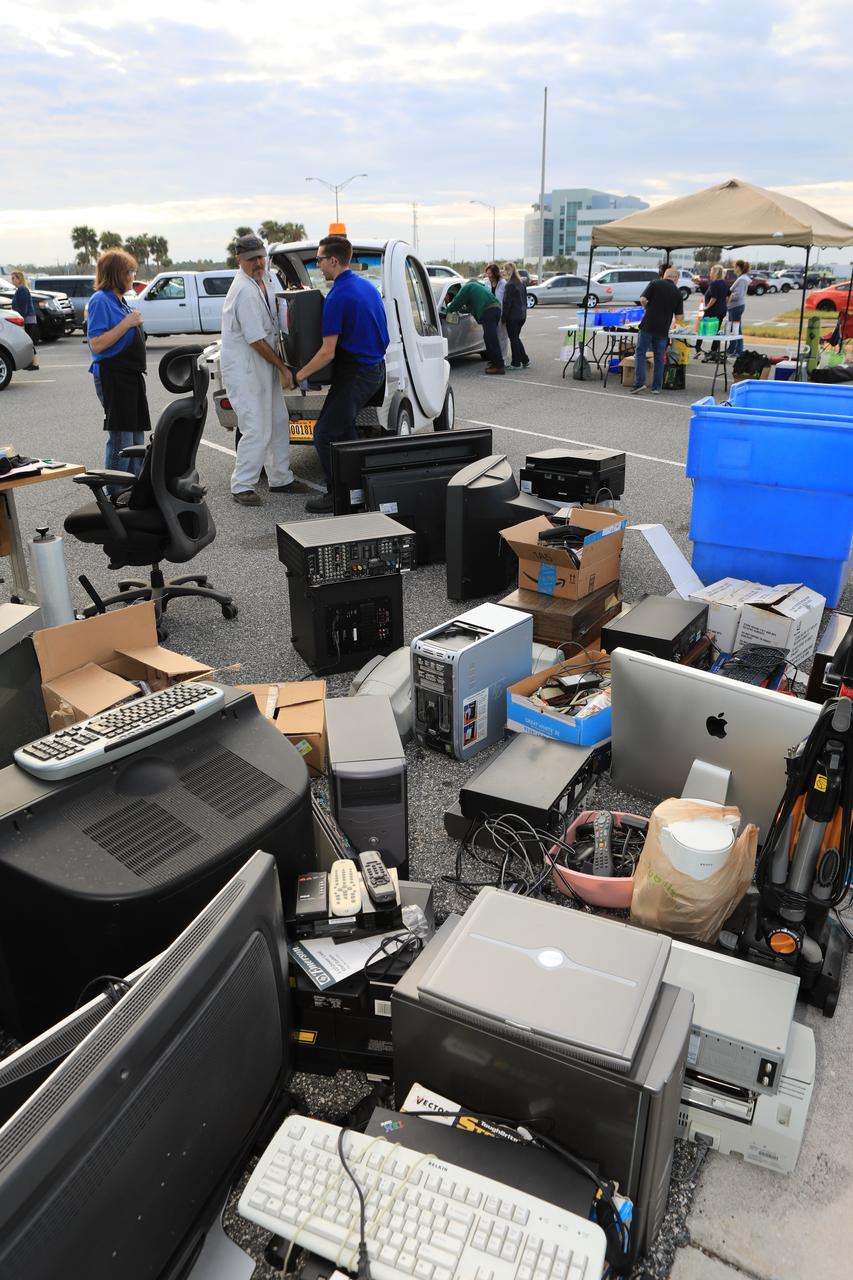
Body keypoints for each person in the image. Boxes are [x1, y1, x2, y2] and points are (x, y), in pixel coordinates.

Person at [296, 236, 389, 514]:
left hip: (357, 372)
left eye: (319, 259)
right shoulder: (366, 287)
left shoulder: (338, 296)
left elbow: (327, 352)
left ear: (333, 260)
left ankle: (337, 495)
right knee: (345, 430)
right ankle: (358, 489)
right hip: (374, 368)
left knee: (324, 434)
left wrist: (298, 374)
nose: (318, 265)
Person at [220, 233, 307, 507]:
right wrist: (283, 368)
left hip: (264, 362)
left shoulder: (267, 279)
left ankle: (281, 478)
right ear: (240, 260)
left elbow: (279, 312)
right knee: (256, 426)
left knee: (278, 421)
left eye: (260, 257)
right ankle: (242, 484)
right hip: (246, 368)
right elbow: (256, 339)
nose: (258, 263)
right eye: (251, 259)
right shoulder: (243, 291)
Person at [87, 249, 149, 476]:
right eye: (129, 271)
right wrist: (127, 324)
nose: (133, 275)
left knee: (135, 437)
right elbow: (97, 344)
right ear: (117, 274)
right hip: (113, 376)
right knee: (121, 439)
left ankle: (134, 488)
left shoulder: (121, 301)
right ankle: (115, 492)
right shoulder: (100, 301)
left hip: (130, 377)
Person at [631, 266, 684, 395]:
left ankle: (639, 383)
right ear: (676, 278)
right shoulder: (677, 292)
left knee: (640, 353)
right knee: (659, 357)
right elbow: (679, 317)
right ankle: (656, 387)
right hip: (663, 329)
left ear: (665, 275)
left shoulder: (655, 283)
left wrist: (648, 308)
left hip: (648, 324)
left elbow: (643, 299)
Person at [446, 277, 504, 373]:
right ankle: (494, 362)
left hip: (488, 311)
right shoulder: (479, 288)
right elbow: (470, 308)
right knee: (488, 338)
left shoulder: (467, 287)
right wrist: (460, 310)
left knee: (492, 339)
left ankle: (499, 366)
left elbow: (457, 301)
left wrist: (448, 310)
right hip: (495, 309)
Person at [696, 264, 730, 361]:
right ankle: (713, 350)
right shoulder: (724, 283)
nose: (710, 273)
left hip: (712, 311)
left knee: (702, 328)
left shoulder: (714, 284)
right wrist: (724, 303)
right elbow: (728, 296)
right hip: (721, 310)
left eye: (711, 271)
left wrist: (707, 306)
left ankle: (698, 348)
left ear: (715, 273)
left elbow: (713, 298)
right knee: (717, 331)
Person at [502, 262, 529, 369]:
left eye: (504, 270)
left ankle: (516, 363)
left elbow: (507, 303)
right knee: (516, 338)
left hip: (513, 316)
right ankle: (525, 360)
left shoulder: (509, 285)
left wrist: (503, 317)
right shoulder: (521, 282)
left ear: (508, 270)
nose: (503, 272)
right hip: (522, 315)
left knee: (513, 339)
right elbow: (525, 299)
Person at [9, 271, 39, 369]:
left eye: (13, 278)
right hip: (27, 318)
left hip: (27, 319)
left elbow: (24, 308)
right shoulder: (20, 290)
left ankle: (35, 363)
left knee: (28, 342)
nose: (12, 280)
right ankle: (32, 362)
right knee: (28, 342)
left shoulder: (22, 290)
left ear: (19, 279)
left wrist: (19, 320)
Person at [484, 263, 510, 365]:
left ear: (495, 273)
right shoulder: (486, 283)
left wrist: (505, 315)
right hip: (490, 314)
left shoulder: (503, 283)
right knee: (491, 337)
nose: (489, 276)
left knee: (502, 336)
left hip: (501, 313)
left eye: (490, 273)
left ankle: (502, 358)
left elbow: (507, 301)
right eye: (487, 274)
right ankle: (493, 358)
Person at [726, 260, 751, 357]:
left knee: (736, 329)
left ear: (739, 267)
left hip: (736, 306)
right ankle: (733, 349)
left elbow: (738, 295)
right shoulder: (742, 278)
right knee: (735, 328)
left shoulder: (742, 279)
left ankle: (737, 350)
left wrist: (730, 297)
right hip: (736, 306)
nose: (734, 269)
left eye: (735, 267)